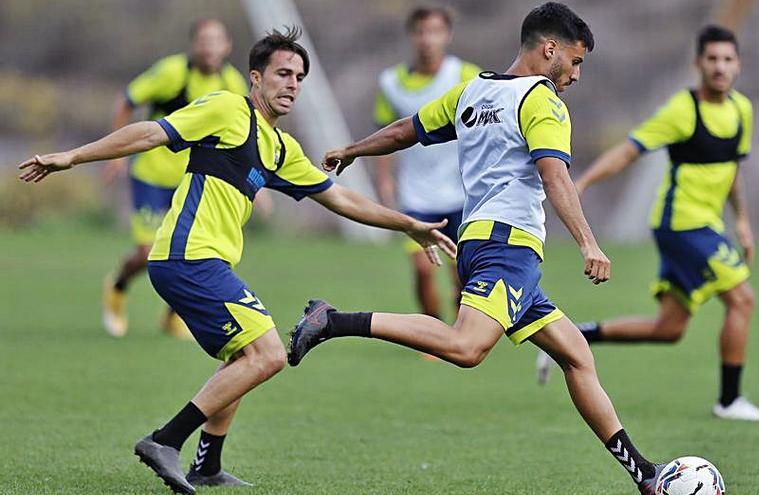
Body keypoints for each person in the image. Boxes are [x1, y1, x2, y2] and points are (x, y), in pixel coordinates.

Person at [19, 27, 455, 495]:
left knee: (243, 356)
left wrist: (406, 224)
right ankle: (165, 441)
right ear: (255, 78)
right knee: (267, 354)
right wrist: (73, 156)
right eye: (283, 73)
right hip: (188, 256)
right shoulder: (228, 109)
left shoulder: (281, 149)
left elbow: (343, 200)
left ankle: (207, 466)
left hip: (209, 262)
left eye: (300, 77)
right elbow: (151, 132)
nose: (292, 83)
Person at [290, 4, 668, 493]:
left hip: (484, 242)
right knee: (466, 347)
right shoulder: (542, 100)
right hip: (507, 247)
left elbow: (409, 128)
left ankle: (644, 474)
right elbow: (555, 175)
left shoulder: (474, 90)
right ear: (549, 48)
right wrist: (589, 243)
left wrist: (354, 149)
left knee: (576, 356)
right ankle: (333, 321)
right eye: (575, 62)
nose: (576, 75)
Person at [538, 25, 759, 422]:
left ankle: (573, 335)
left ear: (738, 65)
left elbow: (733, 170)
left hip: (708, 226)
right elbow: (630, 151)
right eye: (712, 59)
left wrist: (743, 222)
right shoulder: (683, 110)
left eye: (727, 59)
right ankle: (729, 401)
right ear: (698, 63)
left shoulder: (741, 110)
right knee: (742, 298)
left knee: (669, 328)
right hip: (680, 225)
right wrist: (585, 181)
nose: (720, 67)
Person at [101, 18, 251, 339]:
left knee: (192, 254)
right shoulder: (171, 72)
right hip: (152, 175)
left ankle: (172, 317)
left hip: (194, 181)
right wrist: (116, 153)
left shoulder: (233, 84)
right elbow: (128, 100)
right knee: (146, 253)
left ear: (227, 46)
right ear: (193, 44)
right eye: (203, 40)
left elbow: (246, 135)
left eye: (216, 40)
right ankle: (117, 285)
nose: (209, 46)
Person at [374, 6, 481, 322]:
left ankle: (460, 333)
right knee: (422, 268)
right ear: (411, 35)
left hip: (461, 191)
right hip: (416, 193)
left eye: (434, 32)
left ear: (447, 35)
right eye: (421, 32)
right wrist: (385, 181)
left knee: (462, 272)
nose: (427, 40)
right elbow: (387, 133)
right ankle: (432, 331)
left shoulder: (466, 76)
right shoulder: (390, 82)